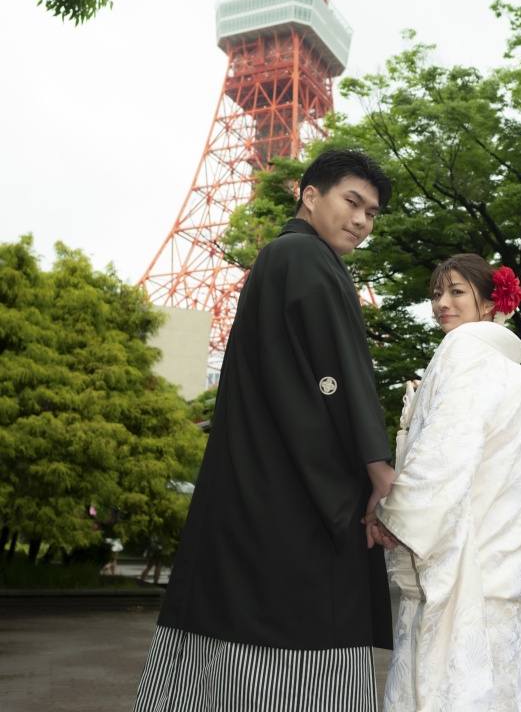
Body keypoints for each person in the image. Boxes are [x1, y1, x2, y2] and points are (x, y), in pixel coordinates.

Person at [132, 148, 396, 712]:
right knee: (299, 631)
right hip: (291, 492)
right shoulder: (304, 259)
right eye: (353, 202)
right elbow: (339, 375)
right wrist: (378, 467)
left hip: (255, 480)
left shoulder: (283, 257)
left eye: (372, 213)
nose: (362, 221)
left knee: (229, 632)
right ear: (309, 193)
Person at [365, 254, 521, 712]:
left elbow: (446, 452)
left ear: (494, 302)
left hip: (460, 570)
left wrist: (396, 516)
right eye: (437, 293)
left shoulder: (464, 352)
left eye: (456, 291)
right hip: (508, 571)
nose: (441, 304)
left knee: (444, 689)